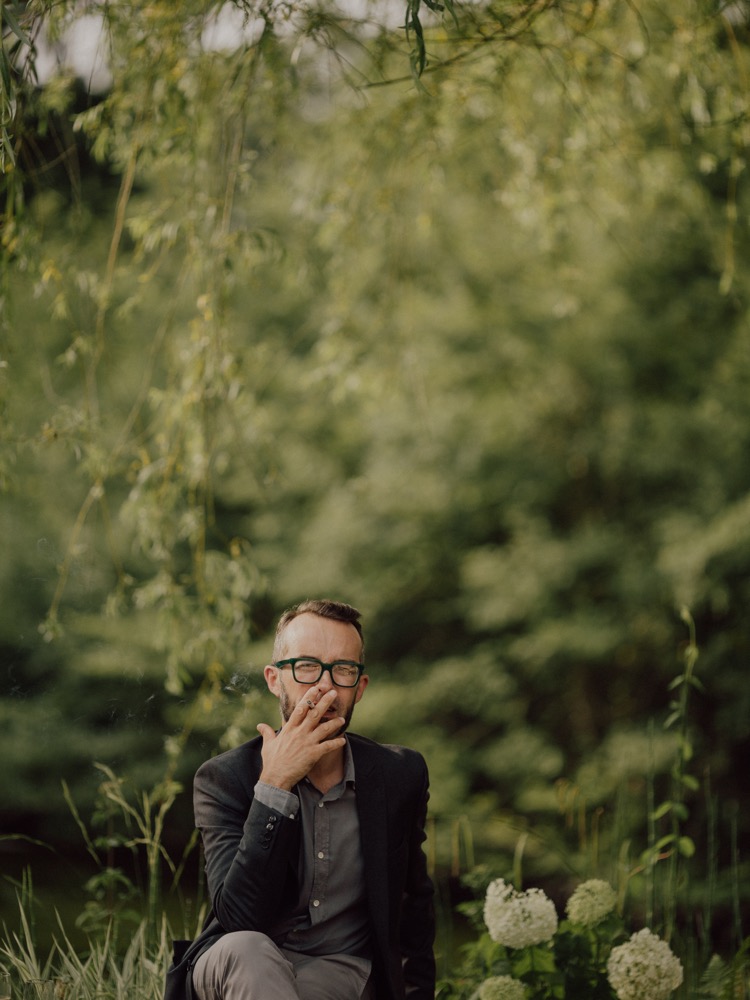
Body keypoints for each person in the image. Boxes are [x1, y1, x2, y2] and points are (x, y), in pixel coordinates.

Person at [164, 599, 435, 1000]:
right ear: (275, 680)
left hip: (340, 973)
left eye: (342, 669)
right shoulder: (224, 778)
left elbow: (414, 912)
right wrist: (274, 786)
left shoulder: (399, 775)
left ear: (359, 687)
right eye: (307, 666)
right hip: (237, 964)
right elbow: (237, 918)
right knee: (248, 950)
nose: (325, 685)